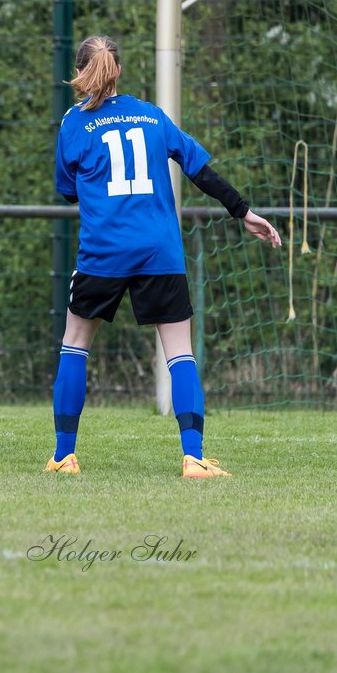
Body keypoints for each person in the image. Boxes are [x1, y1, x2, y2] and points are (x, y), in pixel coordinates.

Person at [50, 35, 281, 479]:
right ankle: (192, 457)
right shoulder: (153, 116)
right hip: (160, 250)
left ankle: (64, 457)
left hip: (104, 251)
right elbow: (201, 172)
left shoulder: (73, 124)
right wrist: (244, 213)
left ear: (82, 72)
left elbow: (67, 190)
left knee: (75, 344)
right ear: (118, 70)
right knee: (180, 354)